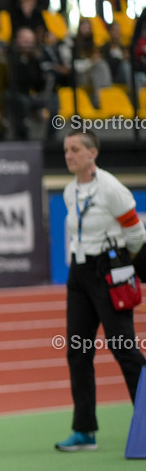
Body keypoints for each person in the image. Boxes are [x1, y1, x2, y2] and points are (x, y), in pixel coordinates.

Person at [59, 130, 145, 452]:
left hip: (110, 271)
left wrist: (131, 267)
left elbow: (135, 232)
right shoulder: (70, 191)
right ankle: (84, 430)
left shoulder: (111, 188)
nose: (69, 155)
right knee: (77, 350)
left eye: (76, 149)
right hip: (79, 274)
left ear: (93, 153)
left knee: (124, 347)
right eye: (66, 149)